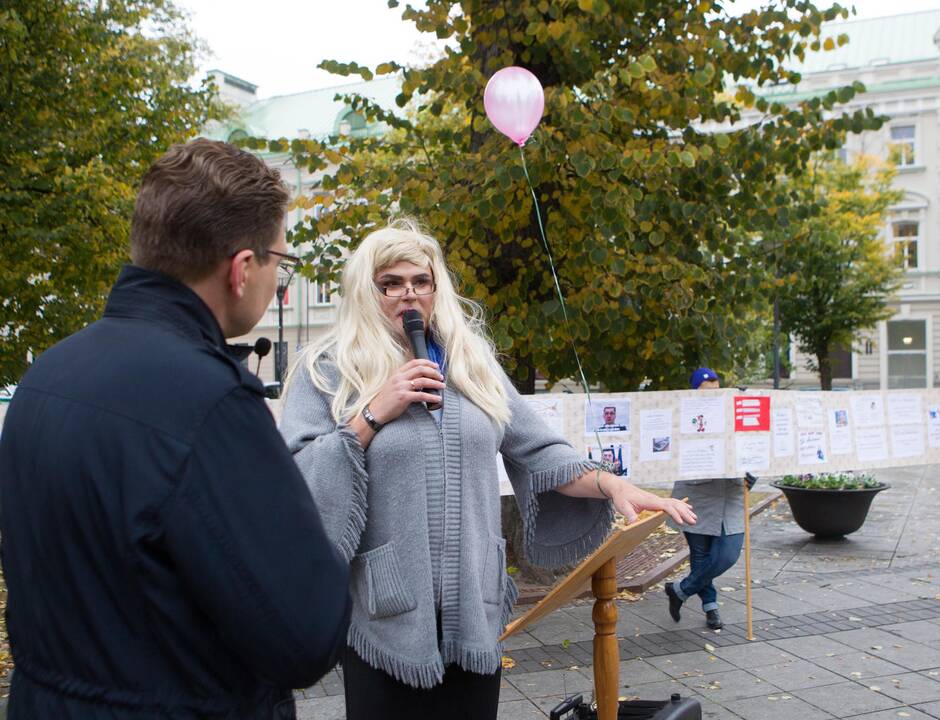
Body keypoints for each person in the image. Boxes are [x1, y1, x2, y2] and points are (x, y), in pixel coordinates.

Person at [279, 219, 695, 720]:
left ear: (437, 288)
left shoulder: (471, 362)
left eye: (420, 281)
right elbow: (299, 476)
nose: (407, 294)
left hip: (474, 602)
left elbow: (540, 451)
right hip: (386, 607)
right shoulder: (325, 368)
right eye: (390, 283)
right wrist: (372, 414)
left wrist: (613, 483)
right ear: (366, 292)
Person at [0, 139, 351, 719]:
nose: (278, 281)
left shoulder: (48, 374)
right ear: (242, 269)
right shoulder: (211, 401)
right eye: (280, 262)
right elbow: (307, 634)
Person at [664, 367, 746, 631]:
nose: (713, 394)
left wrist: (753, 470)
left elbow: (753, 443)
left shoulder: (735, 411)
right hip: (697, 491)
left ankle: (680, 590)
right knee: (700, 555)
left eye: (716, 389)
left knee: (727, 555)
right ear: (694, 391)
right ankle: (711, 607)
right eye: (706, 389)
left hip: (731, 493)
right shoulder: (683, 415)